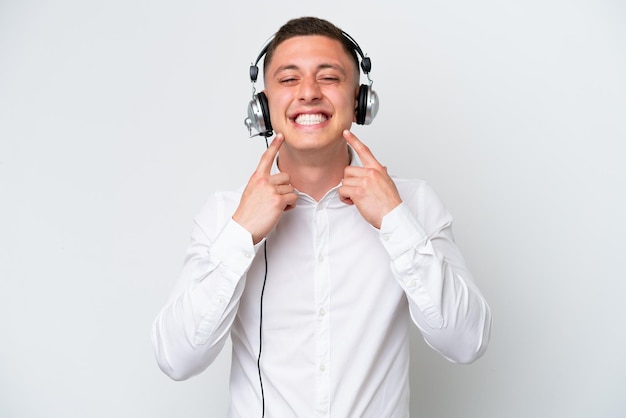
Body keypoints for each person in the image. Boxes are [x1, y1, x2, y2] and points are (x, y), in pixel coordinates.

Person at [151, 16, 492, 417]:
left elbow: (466, 342)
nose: (309, 93)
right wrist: (240, 235)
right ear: (262, 105)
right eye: (288, 79)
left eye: (328, 77)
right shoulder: (225, 214)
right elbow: (177, 358)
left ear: (360, 100)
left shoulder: (412, 203)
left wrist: (396, 221)